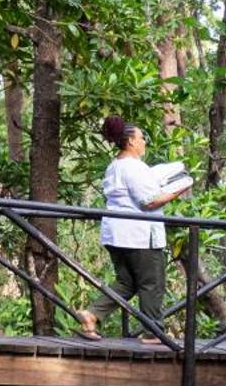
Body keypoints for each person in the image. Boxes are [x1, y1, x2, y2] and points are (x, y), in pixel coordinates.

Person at [76, 116, 193, 343]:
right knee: (152, 282)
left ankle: (92, 314)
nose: (144, 142)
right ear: (130, 141)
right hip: (138, 236)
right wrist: (181, 187)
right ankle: (154, 332)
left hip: (115, 234)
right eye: (141, 138)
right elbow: (148, 201)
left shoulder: (114, 166)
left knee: (126, 282)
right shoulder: (133, 167)